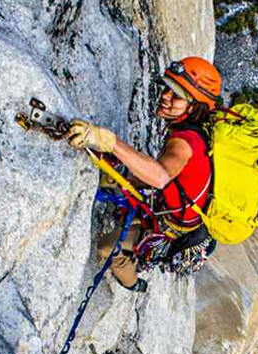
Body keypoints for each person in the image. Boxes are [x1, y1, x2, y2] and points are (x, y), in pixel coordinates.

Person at [67, 57, 222, 291]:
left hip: (173, 232)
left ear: (194, 106)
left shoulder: (185, 142)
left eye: (176, 96)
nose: (165, 97)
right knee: (123, 198)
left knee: (107, 249)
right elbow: (174, 180)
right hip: (175, 212)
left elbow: (160, 176)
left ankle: (133, 284)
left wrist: (109, 142)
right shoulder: (194, 133)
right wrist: (126, 179)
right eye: (167, 89)